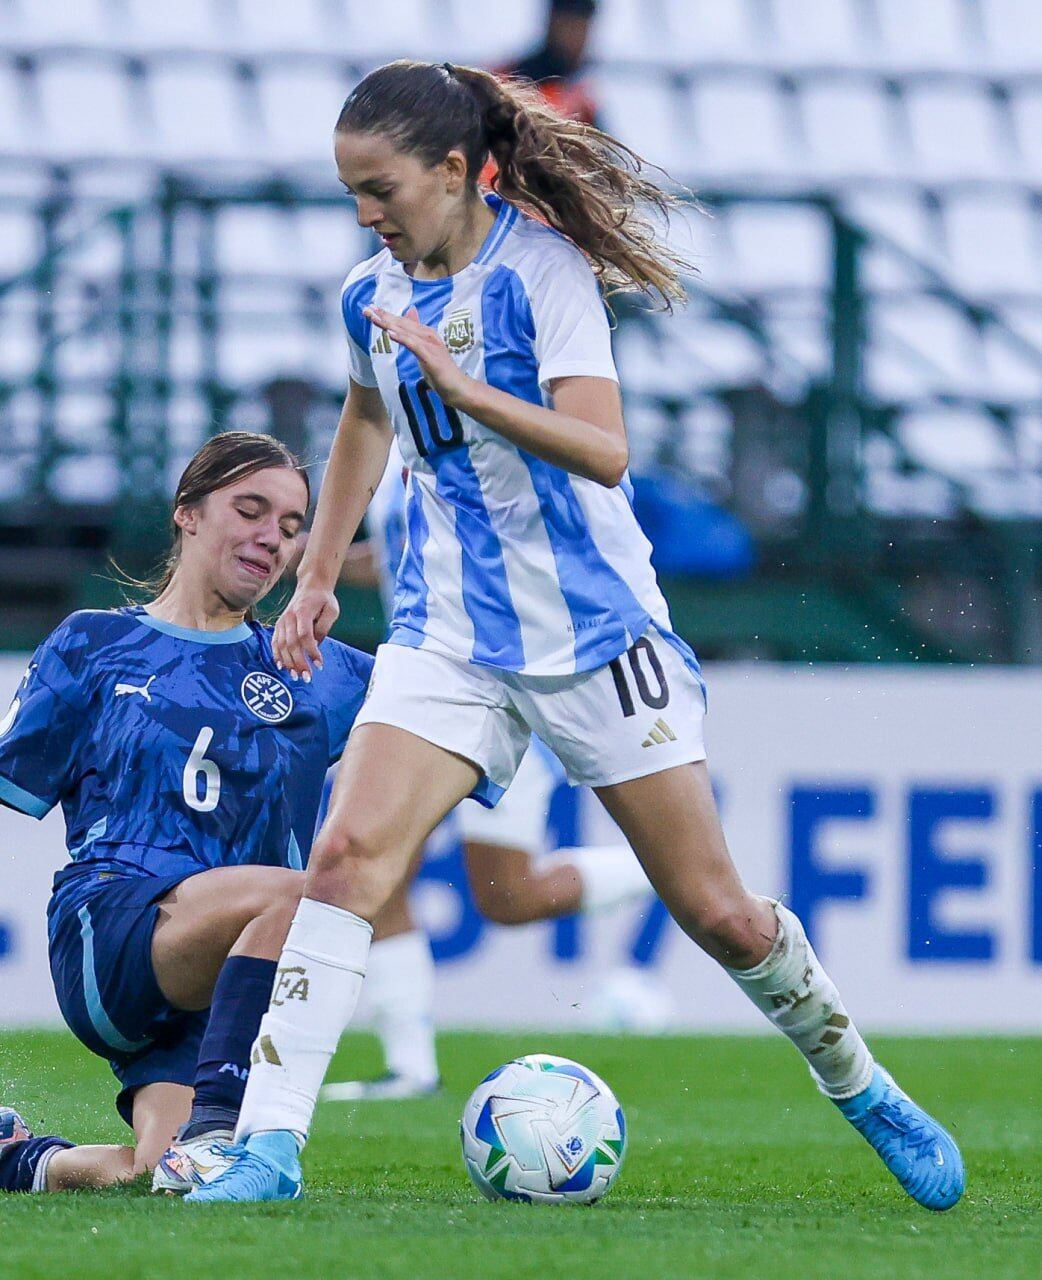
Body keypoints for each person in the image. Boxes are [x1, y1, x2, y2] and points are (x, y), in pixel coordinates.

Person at [193, 60, 964, 1211]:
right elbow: (363, 414)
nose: (363, 214)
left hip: (595, 637)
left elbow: (604, 449)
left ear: (451, 171)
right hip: (448, 638)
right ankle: (267, 1149)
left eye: (379, 189)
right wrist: (314, 575)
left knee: (718, 911)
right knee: (345, 860)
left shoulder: (542, 275)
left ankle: (863, 1085)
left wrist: (468, 389)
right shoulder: (370, 294)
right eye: (350, 191)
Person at [0, 432, 380, 1195]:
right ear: (188, 513)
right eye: (251, 510)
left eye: (292, 526)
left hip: (229, 973)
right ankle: (216, 1131)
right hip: (115, 931)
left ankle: (19, 1159)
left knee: (159, 1174)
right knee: (310, 893)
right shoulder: (94, 643)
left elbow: (451, 712)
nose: (272, 537)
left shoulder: (322, 671)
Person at [322, 443, 660, 1101]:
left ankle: (668, 871)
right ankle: (410, 1069)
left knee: (504, 894)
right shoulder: (393, 458)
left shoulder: (478, 437)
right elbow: (404, 556)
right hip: (433, 690)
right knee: (384, 871)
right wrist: (317, 564)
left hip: (500, 689)